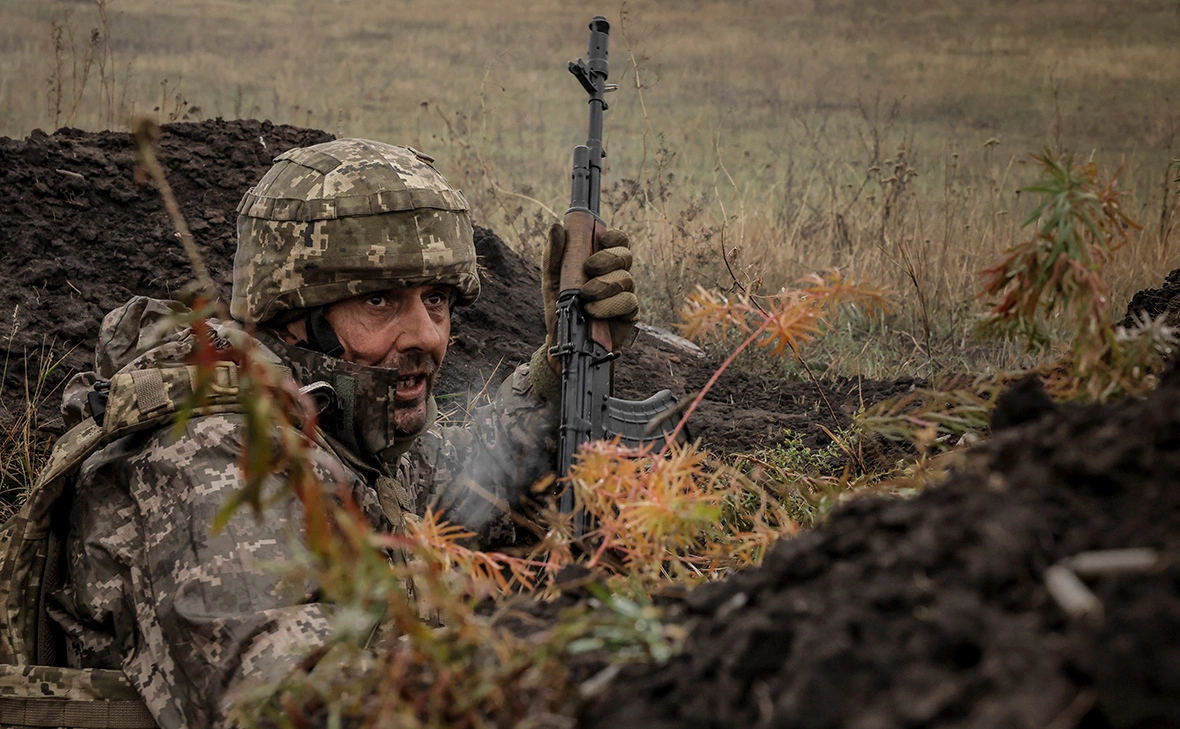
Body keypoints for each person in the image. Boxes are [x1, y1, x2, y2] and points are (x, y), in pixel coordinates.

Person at [15, 138, 638, 729]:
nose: (427, 335)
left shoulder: (335, 423)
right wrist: (538, 663)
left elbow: (468, 490)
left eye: (437, 299)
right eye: (380, 302)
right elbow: (289, 704)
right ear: (293, 317)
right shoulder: (215, 460)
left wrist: (561, 366)